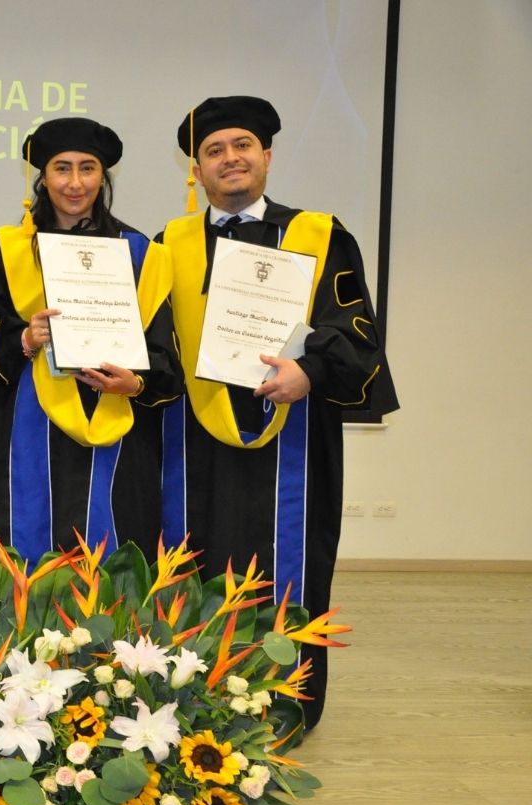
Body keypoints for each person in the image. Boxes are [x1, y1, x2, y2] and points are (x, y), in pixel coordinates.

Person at [157, 96, 398, 732]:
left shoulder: (319, 234)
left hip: (292, 433)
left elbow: (353, 328)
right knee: (192, 558)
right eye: (214, 150)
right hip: (191, 440)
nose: (229, 159)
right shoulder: (169, 243)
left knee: (288, 564)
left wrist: (310, 370)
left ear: (266, 155)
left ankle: (284, 706)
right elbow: (154, 338)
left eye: (242, 146)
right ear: (197, 169)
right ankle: (188, 704)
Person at [0, 118, 181, 564]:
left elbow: (164, 354)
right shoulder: (15, 249)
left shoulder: (141, 253)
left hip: (114, 431)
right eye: (62, 168)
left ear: (104, 176)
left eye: (88, 168)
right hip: (26, 428)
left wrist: (134, 383)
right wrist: (23, 337)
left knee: (108, 551)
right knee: (26, 547)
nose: (75, 183)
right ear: (43, 178)